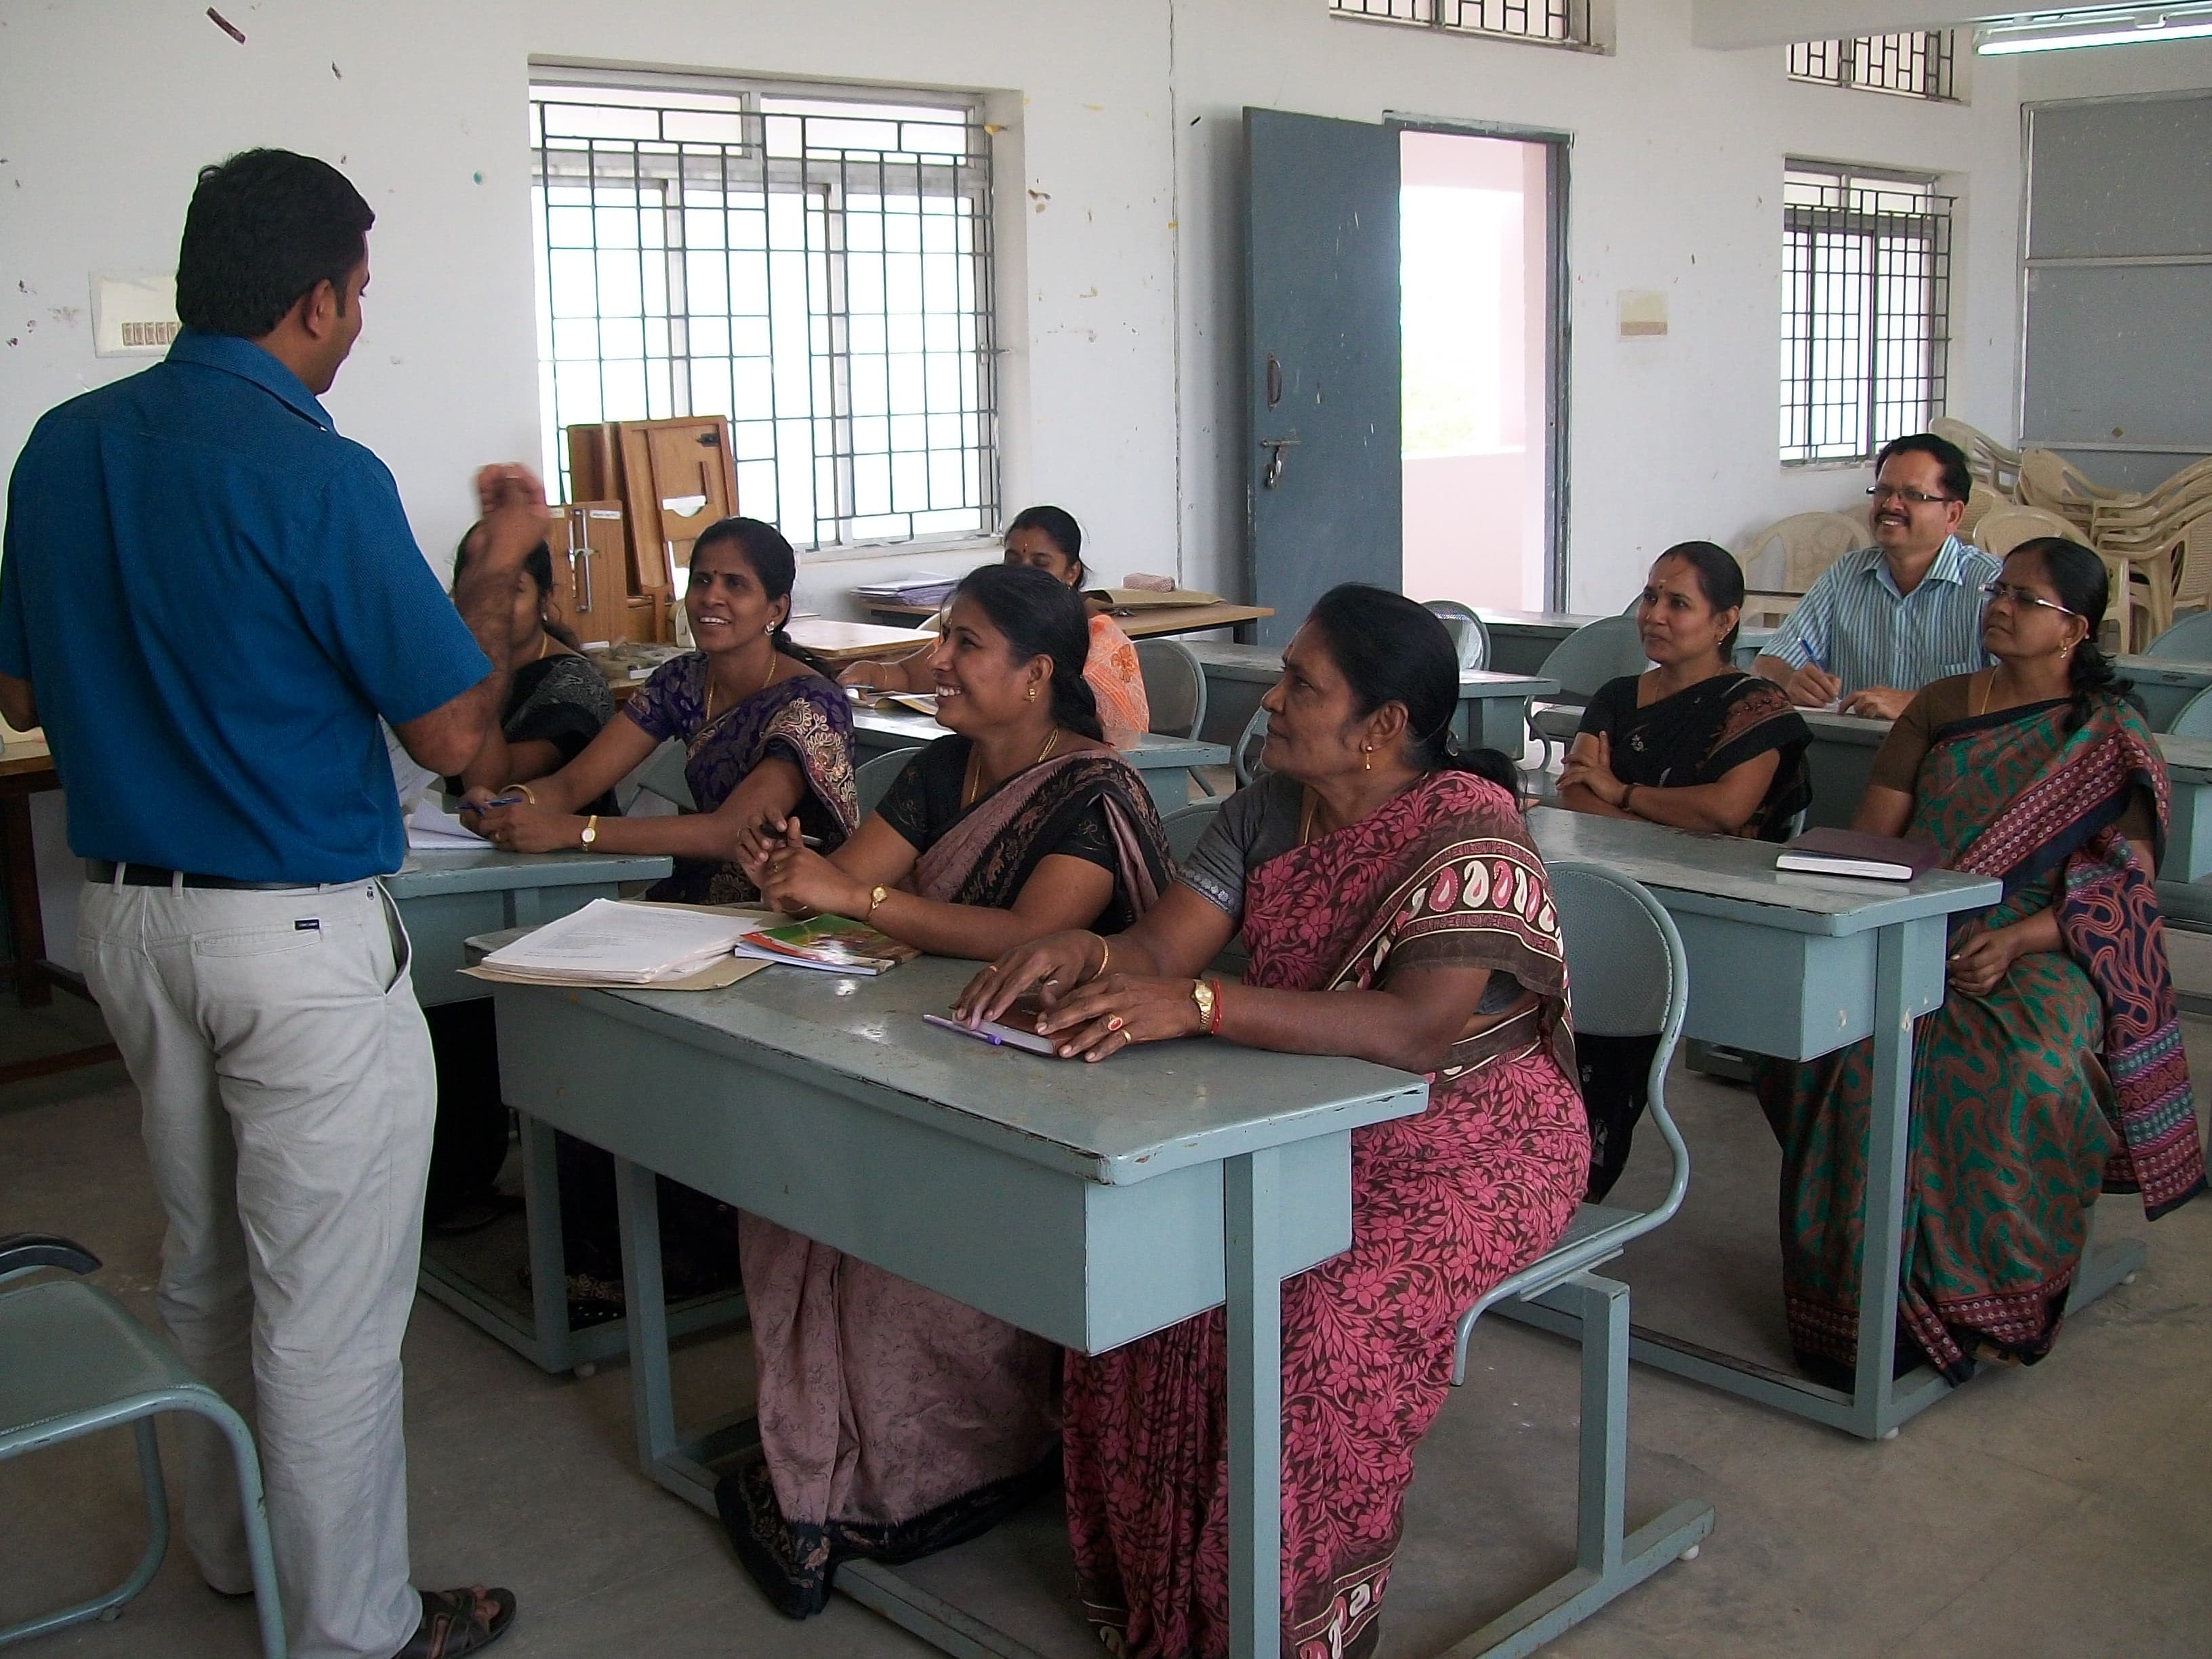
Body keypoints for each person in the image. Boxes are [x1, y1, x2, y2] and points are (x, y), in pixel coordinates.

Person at [0, 149, 524, 1659]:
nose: (361, 321)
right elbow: (451, 736)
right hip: (292, 936)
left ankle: (240, 1559)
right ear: (316, 298)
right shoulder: (317, 471)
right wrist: (487, 586)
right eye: (360, 295)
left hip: (129, 924)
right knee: (332, 1314)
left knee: (205, 1262)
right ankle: (355, 1629)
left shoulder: (61, 445)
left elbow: (26, 685)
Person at [958, 583, 1590, 1659]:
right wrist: (1092, 956)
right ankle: (1179, 1606)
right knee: (1161, 1275)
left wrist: (1205, 1007)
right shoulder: (1265, 813)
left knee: (1315, 1318)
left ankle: (1290, 1622)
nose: (1274, 701)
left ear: (1384, 726)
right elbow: (1164, 951)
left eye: (1305, 684)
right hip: (1302, 1109)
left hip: (1478, 1131)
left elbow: (1414, 1034)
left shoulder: (1471, 834)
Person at [717, 560, 1172, 1618]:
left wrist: (857, 895)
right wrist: (796, 878)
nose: (938, 664)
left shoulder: (1096, 791)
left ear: (1036, 674)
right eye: (942, 639)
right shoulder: (944, 768)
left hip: (1056, 1084)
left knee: (892, 1236)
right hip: (936, 1041)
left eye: (965, 645)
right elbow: (861, 882)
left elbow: (1033, 937)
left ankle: (935, 1473)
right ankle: (823, 1463)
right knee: (793, 1191)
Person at [1757, 538, 2204, 1387]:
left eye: (2025, 598)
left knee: (2021, 1067)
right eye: (1998, 589)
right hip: (1922, 920)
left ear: (2073, 628)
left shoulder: (2107, 734)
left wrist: (2014, 940)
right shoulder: (1943, 706)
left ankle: (1985, 1297)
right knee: (1838, 1052)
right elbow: (1879, 840)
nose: (1999, 604)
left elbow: (2122, 888)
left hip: (2049, 941)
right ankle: (1865, 1309)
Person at [1559, 539, 1811, 1196]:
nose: (1655, 615)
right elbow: (1577, 795)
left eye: (1679, 603)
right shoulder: (1618, 696)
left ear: (1726, 620)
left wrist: (1623, 795)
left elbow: (1727, 813)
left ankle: (1573, 1185)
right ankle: (1550, 1179)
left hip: (1721, 900)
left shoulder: (1757, 707)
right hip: (1616, 891)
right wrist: (1646, 816)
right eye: (1650, 597)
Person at [465, 514, 857, 903]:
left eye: (735, 584)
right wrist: (506, 808)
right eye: (701, 580)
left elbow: (730, 831)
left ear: (775, 610)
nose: (711, 596)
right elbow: (572, 784)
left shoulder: (810, 703)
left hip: (793, 909)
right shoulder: (682, 679)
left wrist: (571, 831)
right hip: (698, 896)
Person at [424, 531, 618, 1235]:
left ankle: (469, 1173)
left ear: (545, 596)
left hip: (569, 883)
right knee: (434, 992)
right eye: (482, 586)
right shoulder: (455, 668)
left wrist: (487, 671)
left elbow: (499, 776)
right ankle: (446, 1176)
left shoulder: (570, 681)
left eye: (516, 588)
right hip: (476, 867)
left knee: (466, 1001)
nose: (500, 606)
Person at [836, 505, 1152, 747]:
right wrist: (869, 673)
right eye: (1013, 561)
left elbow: (1106, 730)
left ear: (1072, 573)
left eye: (1041, 565)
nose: (1023, 574)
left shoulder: (1097, 638)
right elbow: (908, 674)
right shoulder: (987, 626)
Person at [1753, 433, 2000, 720]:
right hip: (1854, 750)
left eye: (1912, 495)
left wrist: (1920, 705)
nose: (1891, 505)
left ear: (1953, 515)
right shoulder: (1846, 574)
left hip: (1949, 756)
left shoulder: (1990, 585)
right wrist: (1791, 680)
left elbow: (2024, 694)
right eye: (1883, 491)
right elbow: (1768, 663)